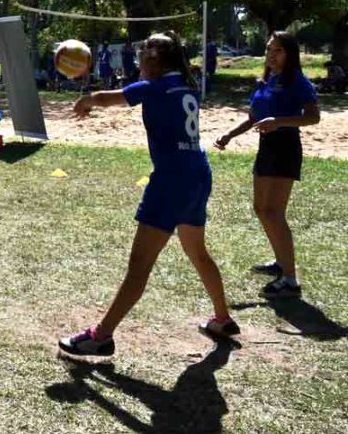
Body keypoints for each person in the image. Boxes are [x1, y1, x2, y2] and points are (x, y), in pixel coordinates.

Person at [59, 32, 238, 357]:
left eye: (142, 55)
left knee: (139, 265)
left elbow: (107, 98)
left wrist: (86, 100)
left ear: (154, 59)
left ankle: (101, 336)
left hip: (171, 181)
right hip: (198, 174)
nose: (138, 61)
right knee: (198, 253)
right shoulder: (187, 87)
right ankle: (222, 318)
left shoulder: (155, 87)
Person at [214, 31, 321, 299]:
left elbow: (313, 117)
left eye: (278, 51)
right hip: (267, 149)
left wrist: (279, 121)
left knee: (274, 212)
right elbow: (253, 118)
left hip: (285, 148)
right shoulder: (266, 81)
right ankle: (280, 262)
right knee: (262, 209)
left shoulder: (297, 81)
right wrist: (229, 135)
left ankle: (290, 280)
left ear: (290, 54)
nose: (271, 55)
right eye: (269, 50)